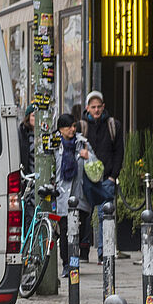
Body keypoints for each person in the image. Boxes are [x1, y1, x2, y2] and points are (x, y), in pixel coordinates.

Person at [78, 91, 125, 262]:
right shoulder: (81, 126)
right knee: (84, 215)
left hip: (106, 178)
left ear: (103, 107)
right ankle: (83, 251)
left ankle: (103, 254)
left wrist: (113, 175)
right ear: (87, 108)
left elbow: (119, 151)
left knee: (105, 216)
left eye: (99, 107)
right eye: (93, 107)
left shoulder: (113, 125)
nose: (96, 110)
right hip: (87, 179)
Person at [54, 113, 95, 277]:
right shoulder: (54, 145)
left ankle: (74, 262)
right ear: (60, 129)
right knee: (65, 230)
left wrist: (88, 157)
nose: (72, 129)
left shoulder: (82, 143)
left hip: (80, 195)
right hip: (62, 195)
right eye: (68, 126)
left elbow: (95, 166)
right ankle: (67, 264)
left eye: (73, 126)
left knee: (79, 232)